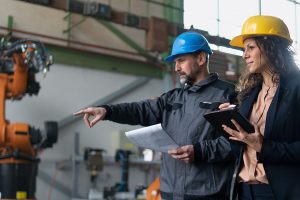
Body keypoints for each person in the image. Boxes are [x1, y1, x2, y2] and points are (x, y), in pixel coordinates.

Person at [74, 31, 236, 200]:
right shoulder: (173, 98)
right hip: (169, 192)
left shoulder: (227, 95)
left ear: (201, 58)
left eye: (181, 60)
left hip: (206, 194)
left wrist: (199, 151)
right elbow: (140, 110)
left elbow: (236, 143)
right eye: (175, 62)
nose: (176, 68)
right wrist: (107, 111)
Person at [220, 15, 300, 200]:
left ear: (271, 47)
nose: (244, 55)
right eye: (244, 49)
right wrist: (229, 119)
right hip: (244, 190)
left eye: (251, 47)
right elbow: (240, 145)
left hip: (279, 192)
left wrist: (265, 147)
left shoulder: (296, 87)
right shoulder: (249, 93)